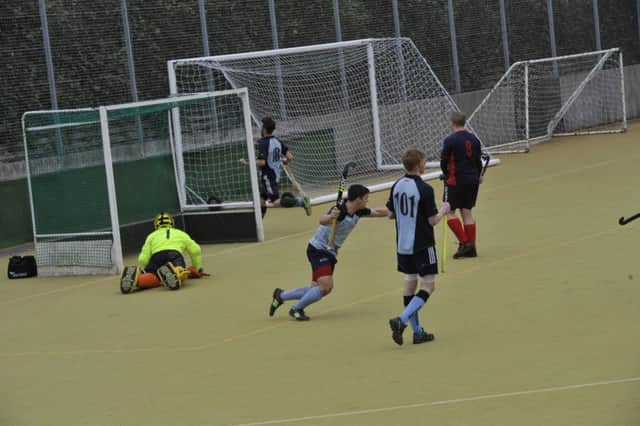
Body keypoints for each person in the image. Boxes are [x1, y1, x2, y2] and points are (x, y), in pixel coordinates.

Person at [268, 184, 388, 320]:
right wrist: (331, 216)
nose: (367, 201)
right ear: (358, 199)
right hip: (318, 249)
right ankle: (296, 309)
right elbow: (322, 220)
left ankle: (281, 296)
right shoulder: (339, 210)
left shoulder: (359, 211)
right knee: (326, 287)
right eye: (366, 198)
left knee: (316, 288)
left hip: (330, 252)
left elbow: (377, 212)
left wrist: (393, 211)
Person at [388, 148, 450, 346]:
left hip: (402, 245)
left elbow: (391, 213)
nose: (425, 164)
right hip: (422, 244)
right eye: (424, 161)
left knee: (409, 285)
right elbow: (432, 221)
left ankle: (417, 332)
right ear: (418, 165)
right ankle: (402, 320)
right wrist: (443, 210)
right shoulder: (425, 189)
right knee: (428, 286)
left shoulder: (397, 185)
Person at [119, 212, 208, 294]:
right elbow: (196, 250)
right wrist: (197, 268)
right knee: (180, 271)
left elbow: (142, 259)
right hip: (174, 255)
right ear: (172, 224)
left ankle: (137, 280)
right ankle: (176, 271)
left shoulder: (151, 236)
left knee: (153, 275)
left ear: (156, 225)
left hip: (156, 257)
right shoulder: (180, 233)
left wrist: (149, 267)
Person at [240, 116, 311, 217]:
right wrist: (285, 161)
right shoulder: (277, 141)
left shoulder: (262, 143)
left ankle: (301, 202)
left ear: (264, 129)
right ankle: (258, 223)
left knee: (276, 202)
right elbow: (290, 157)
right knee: (261, 200)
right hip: (275, 175)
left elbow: (262, 162)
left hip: (268, 176)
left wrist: (246, 162)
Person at [440, 111, 483, 259]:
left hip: (456, 180)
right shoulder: (475, 139)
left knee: (448, 211)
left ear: (452, 123)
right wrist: (479, 176)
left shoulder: (450, 140)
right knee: (466, 211)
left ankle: (465, 244)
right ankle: (472, 248)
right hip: (473, 180)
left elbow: (444, 161)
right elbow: (478, 162)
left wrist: (446, 174)